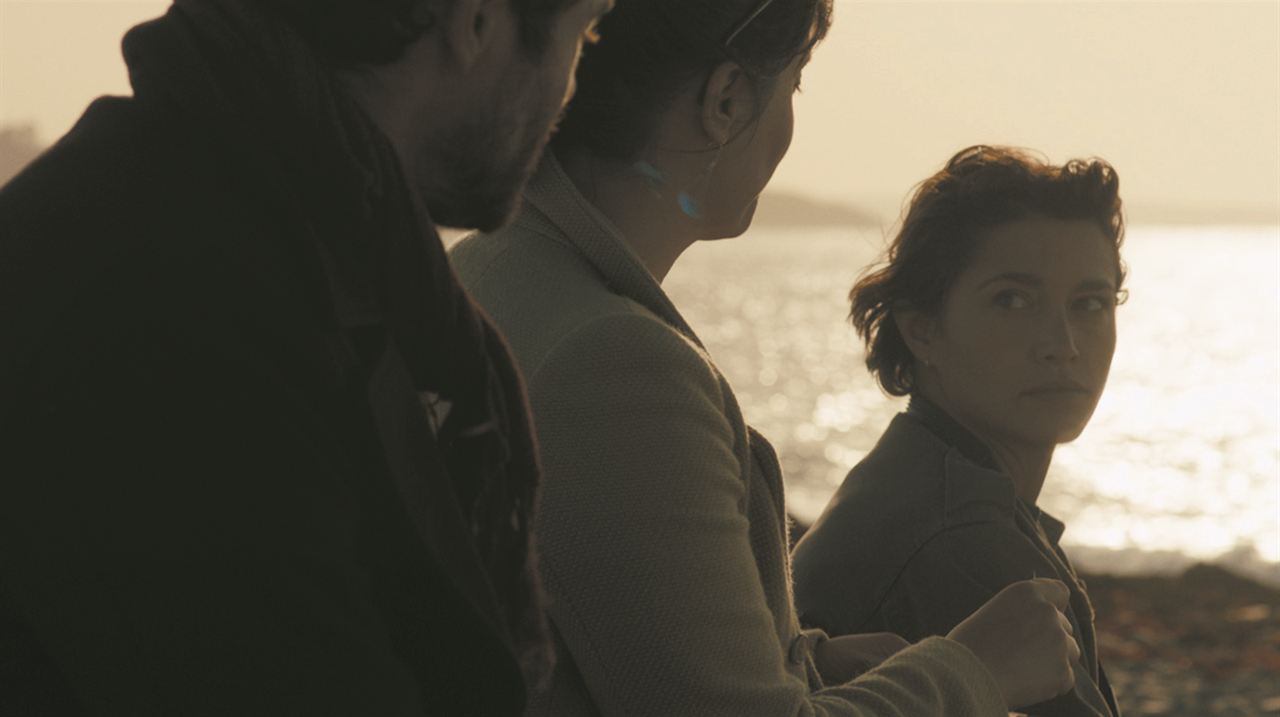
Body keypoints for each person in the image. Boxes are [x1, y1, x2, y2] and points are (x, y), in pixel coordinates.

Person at [451, 4, 1082, 715]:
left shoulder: (489, 266)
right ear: (724, 101)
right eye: (795, 84)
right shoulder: (617, 365)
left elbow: (597, 636)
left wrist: (799, 658)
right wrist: (974, 671)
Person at [0, 0, 611, 714]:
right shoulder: (176, 297)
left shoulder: (249, 226)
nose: (570, 90)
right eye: (584, 31)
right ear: (475, 22)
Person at [792, 145, 1127, 717]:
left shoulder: (917, 474)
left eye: (1090, 303)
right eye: (1012, 300)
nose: (1064, 345)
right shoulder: (956, 534)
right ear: (921, 329)